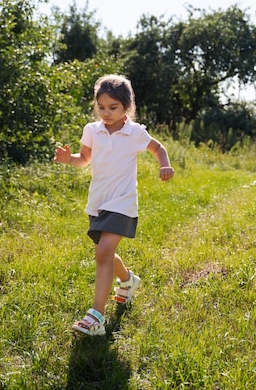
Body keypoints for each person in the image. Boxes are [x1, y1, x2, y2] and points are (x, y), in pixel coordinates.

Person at [54, 74, 174, 336]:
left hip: (122, 202)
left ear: (126, 107)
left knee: (103, 252)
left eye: (113, 108)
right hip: (98, 202)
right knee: (105, 252)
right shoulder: (91, 130)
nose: (106, 113)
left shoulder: (135, 132)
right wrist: (68, 159)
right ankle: (128, 280)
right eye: (102, 107)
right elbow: (84, 159)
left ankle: (96, 317)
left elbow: (158, 148)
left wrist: (164, 164)